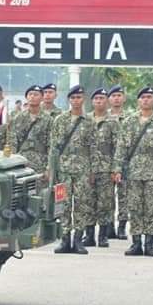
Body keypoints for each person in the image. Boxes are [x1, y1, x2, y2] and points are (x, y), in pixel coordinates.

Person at [113, 87, 153, 257]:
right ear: (138, 101)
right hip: (133, 172)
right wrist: (117, 168)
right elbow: (121, 147)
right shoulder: (129, 122)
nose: (146, 100)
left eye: (149, 97)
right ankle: (136, 242)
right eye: (143, 97)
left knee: (152, 208)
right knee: (135, 207)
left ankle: (150, 243)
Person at [49, 85, 94, 254]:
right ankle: (65, 239)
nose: (76, 100)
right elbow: (53, 147)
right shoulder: (60, 120)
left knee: (82, 204)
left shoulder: (89, 121)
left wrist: (92, 172)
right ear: (69, 99)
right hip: (64, 169)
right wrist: (51, 170)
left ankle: (78, 240)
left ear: (84, 99)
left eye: (79, 97)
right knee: (63, 204)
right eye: (73, 97)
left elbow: (93, 147)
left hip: (83, 168)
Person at [83, 88, 117, 248]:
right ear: (92, 101)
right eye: (96, 98)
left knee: (105, 202)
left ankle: (103, 235)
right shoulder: (85, 119)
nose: (99, 101)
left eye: (102, 98)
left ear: (107, 101)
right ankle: (88, 235)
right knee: (87, 201)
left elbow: (119, 147)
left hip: (106, 167)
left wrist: (116, 169)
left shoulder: (113, 122)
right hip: (87, 168)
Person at [10, 85, 51, 184]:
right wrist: (12, 164)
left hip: (40, 164)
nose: (32, 97)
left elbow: (51, 146)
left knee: (38, 195)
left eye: (36, 94)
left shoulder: (48, 119)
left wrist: (49, 168)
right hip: (21, 162)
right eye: (30, 94)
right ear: (26, 97)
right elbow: (12, 142)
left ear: (42, 98)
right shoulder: (18, 118)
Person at [107, 85, 131, 240]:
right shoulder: (103, 117)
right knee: (107, 196)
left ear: (124, 98)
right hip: (106, 162)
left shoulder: (130, 118)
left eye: (119, 95)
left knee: (124, 196)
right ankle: (109, 226)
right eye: (113, 95)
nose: (116, 98)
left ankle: (122, 226)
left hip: (126, 162)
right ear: (109, 99)